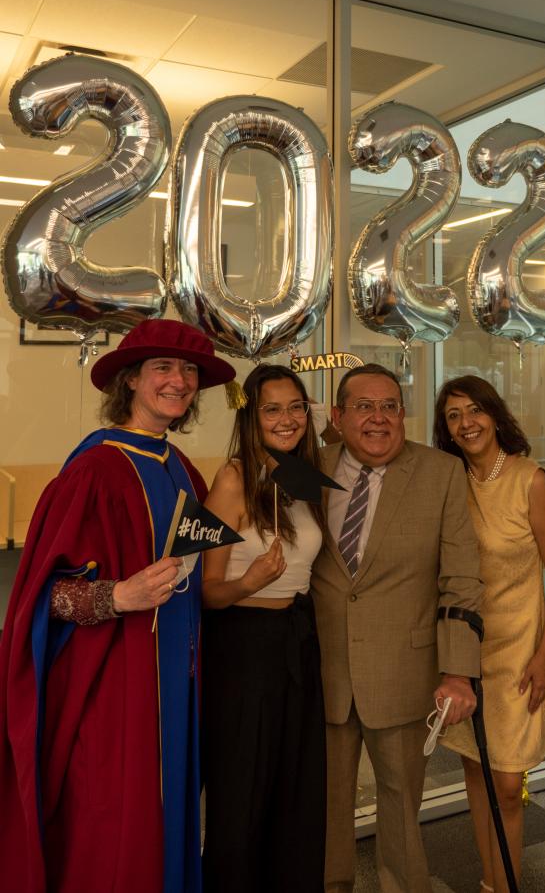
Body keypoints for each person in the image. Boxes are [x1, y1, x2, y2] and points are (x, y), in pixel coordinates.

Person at [0, 318, 235, 893]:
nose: (178, 381)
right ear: (129, 380)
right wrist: (117, 595)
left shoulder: (180, 468)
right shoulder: (94, 471)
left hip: (175, 682)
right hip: (114, 690)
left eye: (187, 371)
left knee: (169, 813)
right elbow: (41, 595)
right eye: (162, 368)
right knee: (112, 826)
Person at [309, 362, 484, 893]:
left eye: (390, 406)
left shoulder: (440, 473)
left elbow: (462, 579)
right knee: (326, 807)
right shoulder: (307, 470)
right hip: (323, 670)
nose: (379, 418)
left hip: (406, 673)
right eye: (364, 407)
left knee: (402, 809)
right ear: (338, 417)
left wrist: (458, 672)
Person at [433, 374, 545, 893]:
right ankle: (492, 881)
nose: (466, 423)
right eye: (453, 416)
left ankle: (507, 883)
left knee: (508, 785)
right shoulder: (447, 481)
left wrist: (544, 655)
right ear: (445, 429)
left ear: (493, 414)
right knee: (476, 768)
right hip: (465, 648)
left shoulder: (530, 479)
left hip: (518, 650)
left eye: (474, 411)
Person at [201, 363, 327, 893]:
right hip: (243, 648)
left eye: (295, 406)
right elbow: (208, 591)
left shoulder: (302, 477)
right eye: (271, 408)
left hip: (297, 642)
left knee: (294, 785)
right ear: (250, 416)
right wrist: (251, 580)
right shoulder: (232, 478)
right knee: (243, 788)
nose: (287, 418)